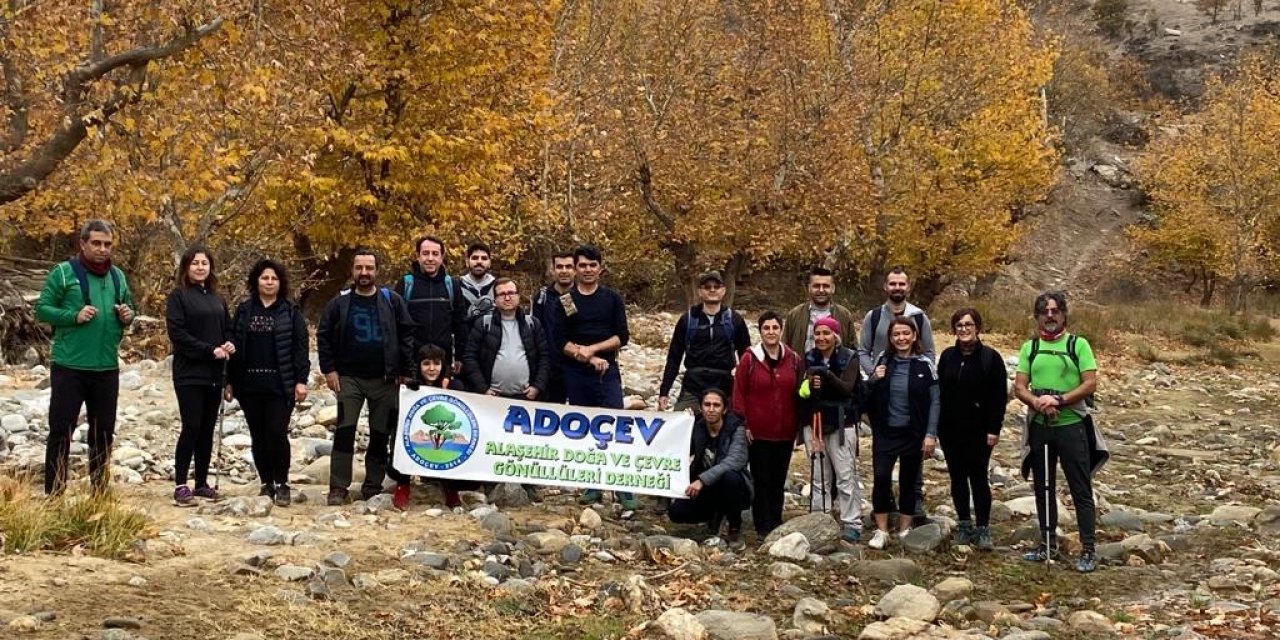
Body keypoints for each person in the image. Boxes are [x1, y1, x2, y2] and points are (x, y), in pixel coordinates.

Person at [36, 219, 136, 496]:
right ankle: (54, 494)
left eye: (107, 244)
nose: (103, 249)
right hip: (70, 366)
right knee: (61, 431)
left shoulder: (117, 276)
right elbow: (42, 309)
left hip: (106, 366)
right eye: (96, 243)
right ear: (83, 244)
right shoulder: (63, 273)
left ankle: (99, 493)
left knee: (103, 433)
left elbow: (130, 307)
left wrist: (128, 315)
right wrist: (72, 316)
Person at [1014, 292, 1107, 573]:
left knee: (1080, 488)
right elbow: (1020, 387)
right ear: (1037, 316)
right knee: (1043, 487)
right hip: (1040, 427)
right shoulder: (1029, 348)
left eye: (1055, 310)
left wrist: (1059, 400)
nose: (1050, 315)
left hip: (1071, 425)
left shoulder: (1078, 345)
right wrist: (1037, 403)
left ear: (1064, 314)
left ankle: (1089, 549)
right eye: (1044, 311)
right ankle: (1046, 542)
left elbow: (1089, 383)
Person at [317, 248, 415, 508]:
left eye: (369, 268)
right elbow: (324, 335)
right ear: (352, 271)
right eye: (359, 268)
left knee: (380, 433)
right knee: (345, 431)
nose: (364, 273)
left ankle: (373, 484)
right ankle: (338, 487)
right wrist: (329, 369)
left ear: (377, 271)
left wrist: (406, 371)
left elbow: (407, 335)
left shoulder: (391, 300)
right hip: (349, 378)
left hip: (385, 379)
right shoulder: (340, 301)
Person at [550, 244, 637, 509]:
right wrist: (584, 356)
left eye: (592, 265)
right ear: (575, 269)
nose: (587, 270)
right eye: (582, 265)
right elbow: (560, 340)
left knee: (615, 425)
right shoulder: (565, 301)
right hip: (576, 373)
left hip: (608, 371)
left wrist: (594, 350)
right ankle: (592, 484)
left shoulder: (612, 299)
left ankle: (622, 485)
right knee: (585, 428)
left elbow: (621, 336)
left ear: (600, 268)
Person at [227, 258, 310, 507]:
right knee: (258, 436)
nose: (269, 282)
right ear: (256, 281)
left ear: (280, 282)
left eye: (274, 278)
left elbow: (300, 348)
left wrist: (301, 380)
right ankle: (266, 483)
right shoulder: (244, 310)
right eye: (265, 278)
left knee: (276, 433)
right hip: (249, 384)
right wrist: (229, 381)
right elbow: (234, 344)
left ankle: (283, 482)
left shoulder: (290, 311)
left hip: (280, 384)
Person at [857, 266, 936, 525]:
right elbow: (863, 350)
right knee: (883, 457)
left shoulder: (919, 317)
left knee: (913, 457)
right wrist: (875, 374)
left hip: (911, 390)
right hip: (882, 393)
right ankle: (885, 503)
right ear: (886, 286)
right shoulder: (874, 316)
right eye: (893, 284)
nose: (897, 288)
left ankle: (914, 500)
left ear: (908, 286)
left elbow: (929, 355)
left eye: (901, 284)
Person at [461, 277, 551, 502]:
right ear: (495, 299)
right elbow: (470, 357)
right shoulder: (484, 324)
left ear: (519, 296)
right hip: (494, 396)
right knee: (493, 440)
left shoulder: (532, 324)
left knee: (525, 443)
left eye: (511, 292)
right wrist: (483, 388)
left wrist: (538, 386)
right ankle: (492, 483)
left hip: (524, 395)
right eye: (502, 294)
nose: (507, 297)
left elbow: (544, 357)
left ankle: (527, 484)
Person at [165, 246, 234, 505]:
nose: (200, 267)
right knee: (191, 426)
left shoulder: (218, 299)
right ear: (186, 267)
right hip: (189, 372)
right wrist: (209, 350)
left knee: (206, 429)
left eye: (204, 263)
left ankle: (202, 482)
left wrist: (229, 344)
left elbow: (228, 328)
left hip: (215, 373)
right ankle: (181, 483)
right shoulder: (178, 297)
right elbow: (178, 335)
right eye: (195, 263)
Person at [865, 316, 939, 550]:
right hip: (886, 432)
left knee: (909, 481)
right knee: (881, 478)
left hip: (913, 433)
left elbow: (936, 401)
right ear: (890, 338)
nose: (901, 338)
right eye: (896, 334)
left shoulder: (925, 364)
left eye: (906, 333)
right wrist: (875, 378)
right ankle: (882, 530)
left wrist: (930, 434)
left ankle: (905, 530)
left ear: (915, 336)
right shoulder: (883, 360)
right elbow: (867, 392)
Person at [937, 308, 1007, 550]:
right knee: (957, 477)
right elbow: (940, 392)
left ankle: (983, 527)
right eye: (959, 325)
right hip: (950, 429)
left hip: (979, 429)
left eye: (968, 324)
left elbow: (999, 397)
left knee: (978, 477)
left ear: (978, 328)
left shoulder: (991, 358)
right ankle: (964, 524)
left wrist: (993, 429)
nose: (964, 329)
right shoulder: (947, 356)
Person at [732, 311, 803, 537]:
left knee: (779, 478)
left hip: (785, 430)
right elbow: (739, 393)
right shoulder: (749, 359)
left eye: (775, 328)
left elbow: (800, 393)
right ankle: (762, 524)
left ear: (781, 330)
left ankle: (776, 519)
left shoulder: (793, 359)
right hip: (758, 431)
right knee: (761, 479)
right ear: (760, 331)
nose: (771, 332)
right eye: (766, 328)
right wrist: (744, 423)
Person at [797, 316, 865, 543]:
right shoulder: (808, 358)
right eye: (817, 333)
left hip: (841, 422)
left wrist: (825, 374)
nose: (821, 338)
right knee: (818, 475)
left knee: (845, 475)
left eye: (826, 333)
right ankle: (820, 518)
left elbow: (846, 388)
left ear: (835, 336)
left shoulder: (849, 357)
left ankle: (851, 522)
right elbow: (804, 389)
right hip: (814, 420)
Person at [668, 389, 752, 551]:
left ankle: (734, 528)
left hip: (734, 488)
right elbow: (678, 450)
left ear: (724, 409)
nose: (711, 409)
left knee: (730, 477)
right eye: (707, 404)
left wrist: (702, 480)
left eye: (716, 405)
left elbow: (735, 461)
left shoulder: (737, 429)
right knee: (676, 513)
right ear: (701, 407)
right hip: (706, 490)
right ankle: (714, 516)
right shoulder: (696, 427)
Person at [659, 271, 750, 411]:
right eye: (707, 287)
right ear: (700, 291)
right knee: (679, 425)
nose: (712, 290)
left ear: (723, 291)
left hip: (724, 386)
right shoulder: (688, 320)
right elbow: (674, 358)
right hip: (693, 386)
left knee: (732, 427)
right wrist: (664, 391)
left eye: (716, 286)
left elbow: (746, 358)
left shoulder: (734, 320)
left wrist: (748, 392)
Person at [407, 343, 472, 509]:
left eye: (436, 364)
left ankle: (451, 488)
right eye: (426, 363)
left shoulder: (455, 386)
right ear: (419, 365)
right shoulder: (409, 389)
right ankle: (403, 485)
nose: (431, 369)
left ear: (443, 366)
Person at [395, 235, 467, 374]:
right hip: (411, 363)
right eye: (425, 253)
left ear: (441, 257)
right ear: (418, 256)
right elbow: (396, 325)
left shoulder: (452, 285)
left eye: (435, 254)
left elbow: (460, 324)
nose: (430, 258)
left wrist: (459, 357)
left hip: (442, 363)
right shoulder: (405, 284)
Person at [530, 251, 576, 404]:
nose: (564, 271)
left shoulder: (579, 296)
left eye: (568, 267)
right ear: (553, 270)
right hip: (549, 366)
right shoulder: (542, 297)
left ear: (575, 270)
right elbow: (535, 331)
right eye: (559, 267)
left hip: (576, 364)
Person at [782, 267, 857, 356]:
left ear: (833, 288)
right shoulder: (794, 315)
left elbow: (853, 351)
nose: (821, 290)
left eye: (826, 286)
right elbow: (784, 349)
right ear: (809, 288)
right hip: (802, 369)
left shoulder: (844, 315)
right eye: (816, 286)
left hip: (835, 369)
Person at [458, 242, 496, 329]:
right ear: (467, 262)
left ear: (490, 263)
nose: (479, 261)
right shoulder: (455, 287)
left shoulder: (499, 288)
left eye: (484, 258)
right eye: (475, 258)